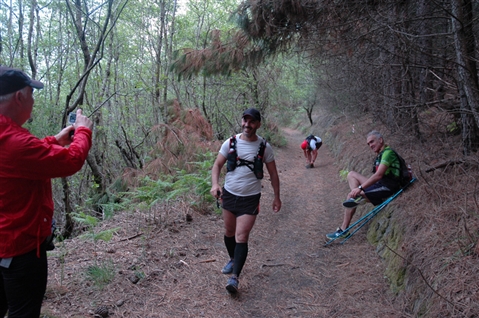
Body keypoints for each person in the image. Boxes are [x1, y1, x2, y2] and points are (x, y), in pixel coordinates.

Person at [0, 66, 93, 317]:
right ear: (19, 97)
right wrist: (83, 130)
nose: (32, 100)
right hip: (20, 251)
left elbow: (22, 158)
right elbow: (70, 161)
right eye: (31, 93)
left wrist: (53, 140)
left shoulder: (10, 139)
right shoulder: (17, 143)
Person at [210, 108, 281, 294]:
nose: (247, 125)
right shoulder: (230, 142)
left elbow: (273, 174)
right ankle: (233, 259)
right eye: (245, 120)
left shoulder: (265, 147)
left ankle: (234, 278)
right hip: (229, 194)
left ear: (258, 124)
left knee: (241, 236)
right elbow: (217, 165)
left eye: (251, 122)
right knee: (229, 231)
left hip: (250, 198)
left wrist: (276, 197)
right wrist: (215, 184)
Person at [326, 130, 402, 240]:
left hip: (388, 188)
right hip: (380, 184)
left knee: (351, 196)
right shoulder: (380, 154)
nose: (370, 145)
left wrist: (360, 188)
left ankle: (344, 230)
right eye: (368, 144)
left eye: (372, 142)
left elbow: (378, 175)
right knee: (351, 174)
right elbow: (377, 177)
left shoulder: (388, 153)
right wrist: (358, 189)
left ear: (380, 140)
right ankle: (356, 198)